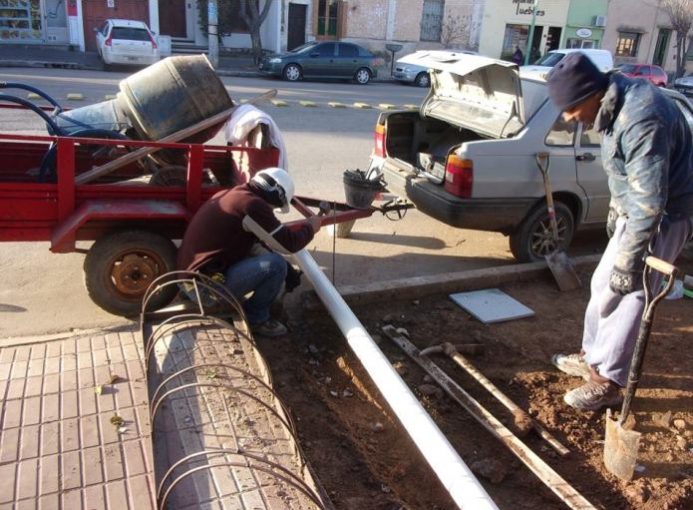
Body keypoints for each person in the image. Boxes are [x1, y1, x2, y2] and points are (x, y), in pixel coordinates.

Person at [546, 53, 693, 410]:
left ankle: (607, 381)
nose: (568, 118)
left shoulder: (642, 116)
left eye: (570, 108)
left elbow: (650, 200)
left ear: (591, 93)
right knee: (603, 283)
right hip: (640, 209)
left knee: (631, 294)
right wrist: (617, 206)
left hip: (663, 215)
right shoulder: (613, 103)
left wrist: (631, 259)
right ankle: (592, 356)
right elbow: (626, 173)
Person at [177, 167, 322, 337]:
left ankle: (193, 295)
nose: (272, 210)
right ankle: (257, 319)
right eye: (275, 206)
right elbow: (289, 243)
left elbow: (253, 244)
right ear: (277, 196)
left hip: (186, 278)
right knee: (276, 266)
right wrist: (310, 228)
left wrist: (289, 269)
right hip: (205, 291)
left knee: (273, 259)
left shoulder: (234, 194)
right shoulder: (253, 205)